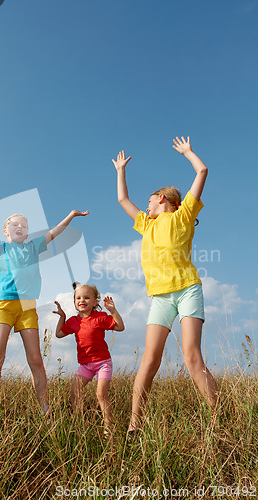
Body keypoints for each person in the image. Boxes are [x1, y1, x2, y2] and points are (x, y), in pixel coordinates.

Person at [0, 182, 88, 413]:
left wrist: (70, 215)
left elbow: (54, 231)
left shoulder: (33, 247)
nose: (20, 226)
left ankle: (45, 409)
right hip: (4, 306)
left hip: (28, 309)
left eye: (24, 225)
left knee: (36, 360)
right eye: (15, 224)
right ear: (6, 230)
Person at [112, 136, 218, 433]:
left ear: (162, 199)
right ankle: (135, 423)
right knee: (149, 360)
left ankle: (216, 417)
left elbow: (202, 172)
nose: (145, 206)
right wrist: (120, 170)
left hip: (187, 290)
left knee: (191, 356)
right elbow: (122, 199)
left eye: (149, 200)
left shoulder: (183, 216)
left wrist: (188, 153)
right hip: (160, 297)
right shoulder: (146, 224)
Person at [53, 283, 124, 434]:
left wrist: (113, 311)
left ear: (95, 302)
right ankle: (78, 424)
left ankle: (108, 428)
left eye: (86, 297)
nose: (82, 300)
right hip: (85, 365)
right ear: (74, 302)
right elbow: (58, 333)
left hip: (102, 363)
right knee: (74, 392)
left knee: (101, 394)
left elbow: (119, 327)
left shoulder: (100, 317)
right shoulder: (73, 321)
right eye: (78, 298)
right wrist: (63, 317)